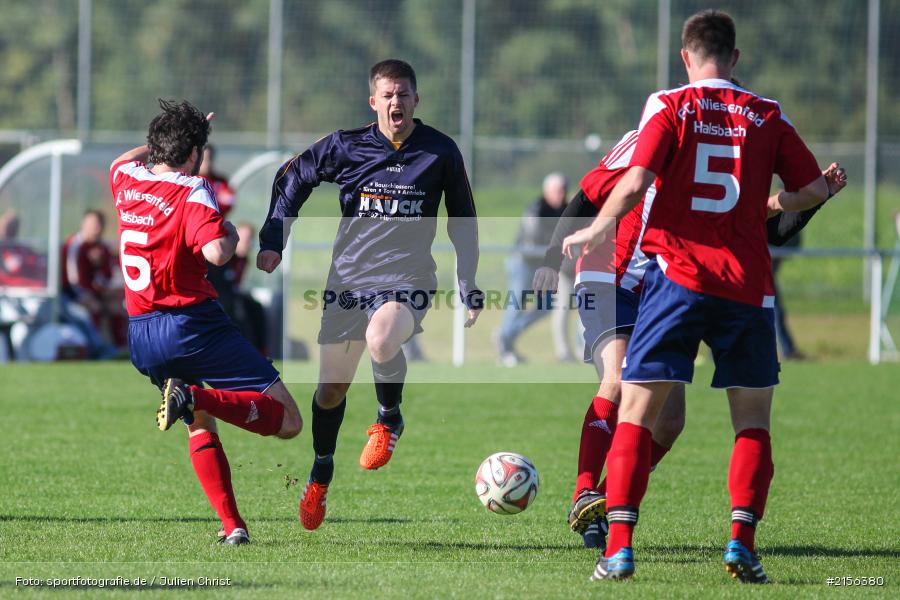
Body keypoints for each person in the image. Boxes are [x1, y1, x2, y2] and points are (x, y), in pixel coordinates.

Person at [562, 10, 832, 583]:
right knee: (752, 423)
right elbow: (807, 190)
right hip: (747, 286)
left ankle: (619, 550)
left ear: (687, 57)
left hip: (678, 279)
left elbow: (633, 182)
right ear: (735, 58)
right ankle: (741, 546)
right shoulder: (767, 114)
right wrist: (775, 204)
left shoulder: (670, 104)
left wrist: (593, 227)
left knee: (638, 412)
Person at [535, 130, 846, 550]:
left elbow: (771, 231)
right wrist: (552, 260)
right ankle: (584, 491)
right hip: (610, 275)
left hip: (667, 291)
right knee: (619, 377)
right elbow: (587, 196)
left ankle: (606, 501)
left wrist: (817, 196)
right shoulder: (652, 133)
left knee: (669, 421)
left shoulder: (729, 161)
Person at [257, 59, 482, 531]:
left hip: (408, 278)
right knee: (330, 390)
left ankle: (389, 418)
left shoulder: (440, 151)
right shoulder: (346, 146)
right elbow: (294, 175)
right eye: (388, 95)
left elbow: (463, 216)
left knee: (382, 339)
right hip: (347, 282)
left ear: (416, 99)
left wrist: (468, 279)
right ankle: (320, 473)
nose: (396, 103)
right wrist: (273, 238)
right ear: (373, 101)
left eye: (404, 94)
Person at [109, 99, 302, 545]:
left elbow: (123, 159)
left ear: (156, 145)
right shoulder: (193, 188)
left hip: (142, 334)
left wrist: (172, 136)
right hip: (190, 325)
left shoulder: (127, 178)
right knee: (289, 421)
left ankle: (233, 527)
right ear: (195, 152)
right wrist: (232, 233)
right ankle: (195, 394)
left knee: (198, 421)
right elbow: (218, 253)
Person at [496, 172, 577, 366]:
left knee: (546, 306)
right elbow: (534, 242)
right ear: (547, 191)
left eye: (564, 189)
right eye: (557, 190)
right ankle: (504, 346)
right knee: (516, 305)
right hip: (524, 264)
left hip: (543, 267)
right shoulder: (536, 209)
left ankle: (504, 336)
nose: (561, 193)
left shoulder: (566, 210)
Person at [61, 209, 127, 352]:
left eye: (99, 225)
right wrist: (87, 296)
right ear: (83, 225)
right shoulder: (75, 245)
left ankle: (121, 348)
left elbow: (107, 276)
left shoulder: (103, 248)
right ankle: (96, 350)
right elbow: (73, 280)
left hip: (95, 293)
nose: (96, 229)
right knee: (93, 308)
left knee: (117, 306)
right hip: (70, 294)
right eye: (92, 224)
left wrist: (108, 292)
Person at [199, 145, 237, 217]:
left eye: (210, 158)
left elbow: (230, 201)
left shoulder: (220, 181)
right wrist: (217, 198)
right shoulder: (190, 180)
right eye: (204, 159)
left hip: (216, 223)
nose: (208, 163)